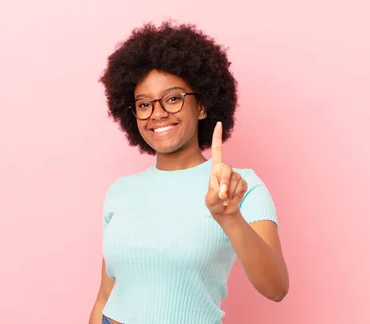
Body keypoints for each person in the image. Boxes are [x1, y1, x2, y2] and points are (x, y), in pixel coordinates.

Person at [88, 20, 289, 324]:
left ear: (202, 106)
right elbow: (106, 295)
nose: (157, 113)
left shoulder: (240, 186)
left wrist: (230, 218)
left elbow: (276, 288)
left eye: (172, 98)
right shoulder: (120, 192)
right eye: (144, 104)